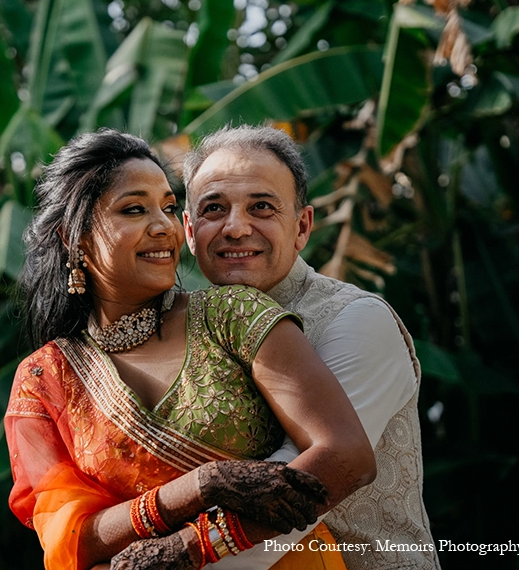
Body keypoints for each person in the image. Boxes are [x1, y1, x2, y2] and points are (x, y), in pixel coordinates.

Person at [4, 129, 376, 570]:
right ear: (74, 238)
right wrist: (202, 484)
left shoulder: (230, 313)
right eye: (134, 209)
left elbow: (346, 454)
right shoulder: (46, 377)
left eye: (167, 206)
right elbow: (70, 539)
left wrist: (197, 545)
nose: (164, 226)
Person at [181, 124, 441, 570]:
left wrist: (168, 557)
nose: (237, 227)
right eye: (214, 209)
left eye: (261, 207)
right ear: (189, 229)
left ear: (302, 226)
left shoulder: (357, 320)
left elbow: (288, 494)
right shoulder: (182, 330)